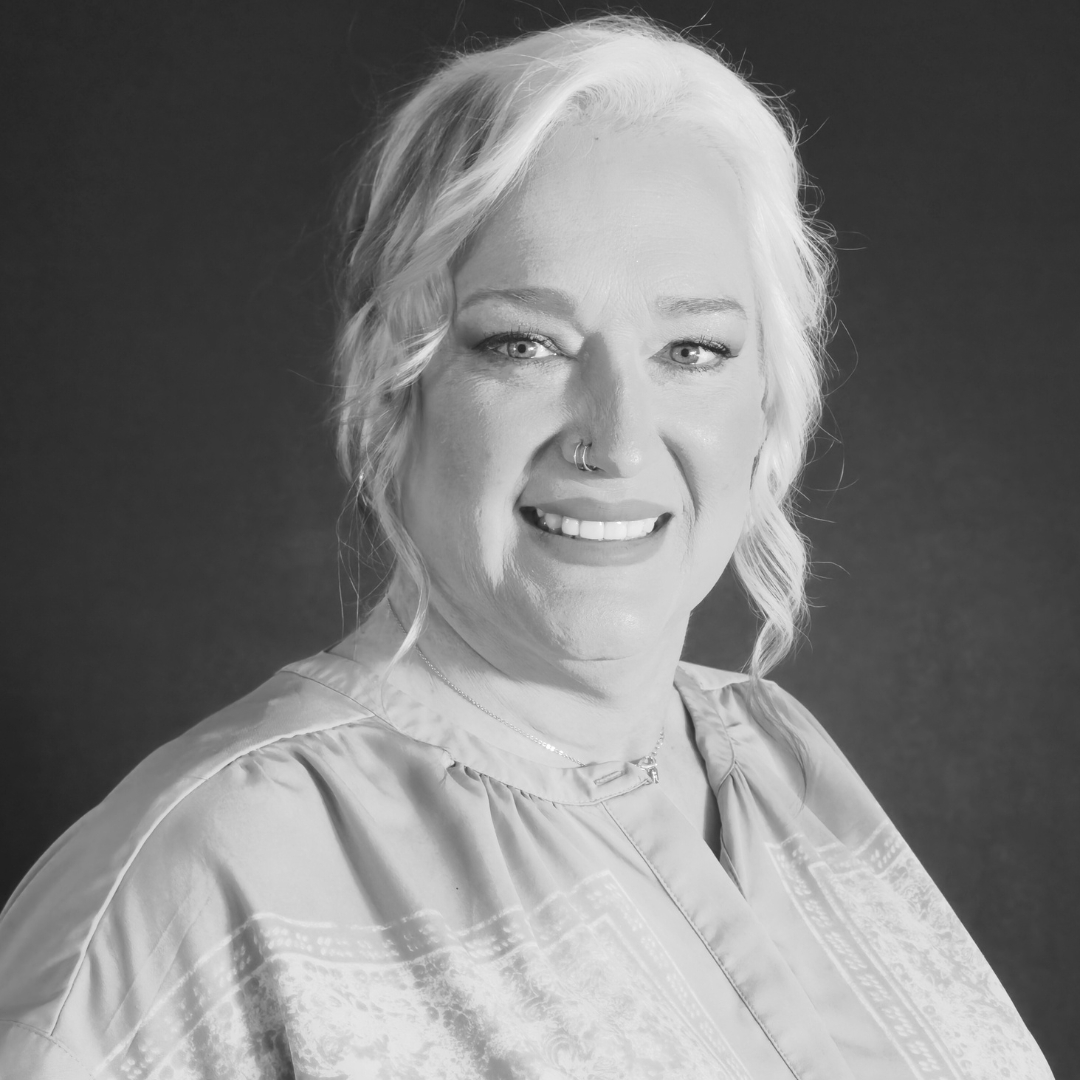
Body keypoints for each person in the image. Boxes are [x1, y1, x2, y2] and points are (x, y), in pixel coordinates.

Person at [0, 15, 1053, 1079]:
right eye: (525, 344)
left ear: (769, 398)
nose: (618, 439)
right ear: (392, 389)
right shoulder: (210, 864)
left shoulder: (779, 754)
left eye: (693, 349)